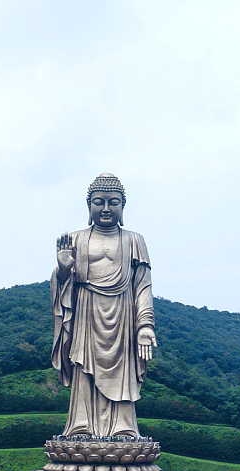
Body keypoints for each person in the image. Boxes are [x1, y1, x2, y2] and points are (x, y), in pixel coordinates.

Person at [51, 173, 157, 437]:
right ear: (89, 206)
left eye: (114, 202)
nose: (107, 208)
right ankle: (81, 426)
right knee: (83, 369)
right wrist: (63, 270)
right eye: (99, 202)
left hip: (123, 315)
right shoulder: (76, 239)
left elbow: (143, 286)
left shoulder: (134, 240)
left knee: (122, 372)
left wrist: (145, 326)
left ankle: (123, 428)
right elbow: (62, 285)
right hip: (86, 313)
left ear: (123, 206)